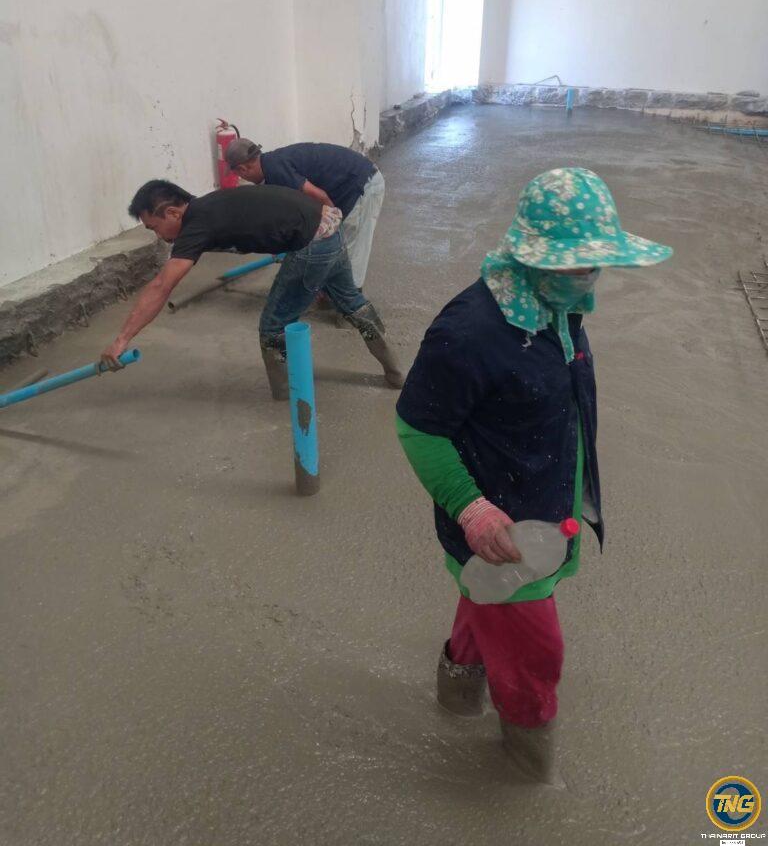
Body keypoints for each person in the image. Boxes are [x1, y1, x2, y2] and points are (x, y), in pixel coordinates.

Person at [395, 167, 672, 784]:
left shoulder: (557, 307)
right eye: (576, 265)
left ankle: (457, 696)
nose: (590, 276)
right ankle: (528, 770)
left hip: (542, 510)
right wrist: (472, 509)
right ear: (530, 255)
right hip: (503, 533)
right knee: (534, 659)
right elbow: (417, 428)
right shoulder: (470, 331)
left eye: (596, 263)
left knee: (482, 603)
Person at [100, 180, 403, 397]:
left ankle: (287, 397)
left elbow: (161, 286)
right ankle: (396, 372)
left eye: (153, 227)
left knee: (273, 327)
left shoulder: (197, 223)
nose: (157, 236)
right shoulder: (209, 206)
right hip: (329, 228)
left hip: (311, 243)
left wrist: (121, 339)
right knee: (351, 301)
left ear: (172, 213)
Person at [224, 139, 385, 289]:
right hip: (349, 182)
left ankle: (352, 301)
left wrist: (333, 229)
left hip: (362, 184)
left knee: (349, 251)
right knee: (333, 247)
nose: (241, 178)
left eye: (238, 175)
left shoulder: (275, 170)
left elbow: (320, 197)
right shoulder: (270, 165)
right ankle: (334, 292)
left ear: (243, 169)